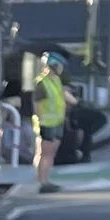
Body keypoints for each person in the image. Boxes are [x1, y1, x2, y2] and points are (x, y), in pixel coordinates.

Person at [33, 53, 69, 193]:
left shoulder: (56, 80)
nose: (61, 68)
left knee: (50, 154)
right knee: (45, 154)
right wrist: (40, 121)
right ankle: (43, 182)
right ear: (53, 66)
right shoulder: (42, 82)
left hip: (57, 122)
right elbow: (37, 104)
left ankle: (45, 180)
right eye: (59, 65)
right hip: (46, 123)